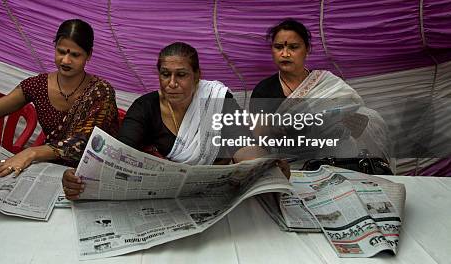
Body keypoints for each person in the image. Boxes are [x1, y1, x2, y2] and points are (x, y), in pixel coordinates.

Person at [63, 42, 286, 200]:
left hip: (213, 195)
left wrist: (265, 164)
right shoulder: (145, 107)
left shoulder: (216, 100)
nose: (171, 83)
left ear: (197, 76)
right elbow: (122, 152)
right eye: (165, 74)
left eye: (181, 75)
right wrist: (79, 177)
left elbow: (242, 146)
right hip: (165, 196)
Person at [0, 19, 119, 176]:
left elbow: (85, 143)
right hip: (49, 170)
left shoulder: (101, 92)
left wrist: (31, 152)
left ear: (89, 55)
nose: (66, 60)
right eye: (61, 52)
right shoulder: (37, 85)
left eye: (75, 55)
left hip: (90, 173)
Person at [235, 18, 389, 167]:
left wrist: (357, 126)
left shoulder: (328, 84)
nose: (285, 53)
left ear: (307, 49)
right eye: (279, 47)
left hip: (333, 159)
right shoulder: (264, 91)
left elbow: (355, 120)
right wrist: (272, 131)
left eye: (293, 47)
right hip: (288, 165)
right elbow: (258, 139)